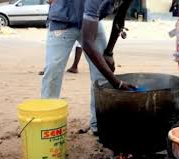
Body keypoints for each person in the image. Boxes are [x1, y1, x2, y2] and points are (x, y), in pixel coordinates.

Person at [42, 0, 135, 135]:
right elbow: (87, 43)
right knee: (53, 70)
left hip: (91, 22)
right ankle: (47, 122)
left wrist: (109, 52)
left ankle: (98, 123)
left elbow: (119, 19)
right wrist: (117, 83)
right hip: (63, 20)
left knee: (101, 75)